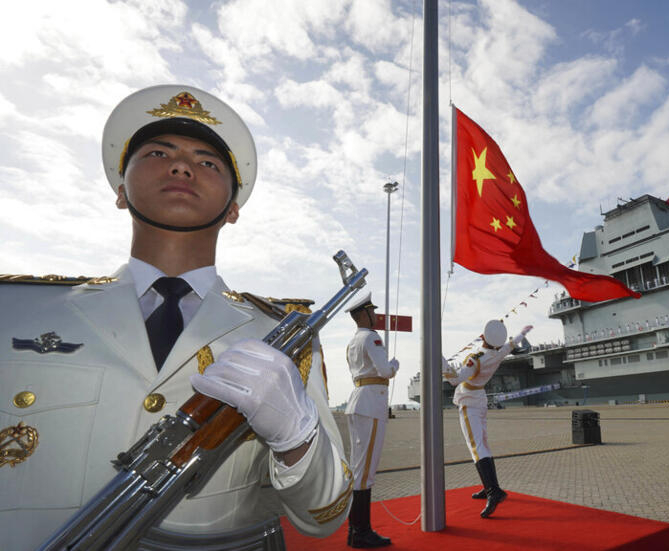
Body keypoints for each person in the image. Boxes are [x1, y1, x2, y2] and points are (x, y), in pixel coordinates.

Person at [0, 85, 351, 551]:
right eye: (158, 152)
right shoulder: (15, 308)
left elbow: (323, 516)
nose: (182, 166)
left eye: (207, 163)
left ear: (233, 209)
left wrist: (297, 436)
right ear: (121, 191)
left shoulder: (280, 335)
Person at [442, 320, 532, 518]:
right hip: (480, 399)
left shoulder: (476, 358)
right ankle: (489, 486)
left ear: (483, 336)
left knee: (476, 447)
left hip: (469, 401)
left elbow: (455, 380)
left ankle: (493, 491)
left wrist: (440, 360)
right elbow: (512, 344)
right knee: (483, 444)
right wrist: (523, 331)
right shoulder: (499, 352)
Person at [344, 293, 399, 548]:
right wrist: (394, 365)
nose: (375, 315)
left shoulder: (353, 342)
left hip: (358, 402)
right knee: (365, 472)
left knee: (358, 469)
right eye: (372, 311)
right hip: (371, 404)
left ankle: (355, 530)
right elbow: (385, 371)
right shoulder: (372, 338)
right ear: (363, 314)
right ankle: (361, 532)